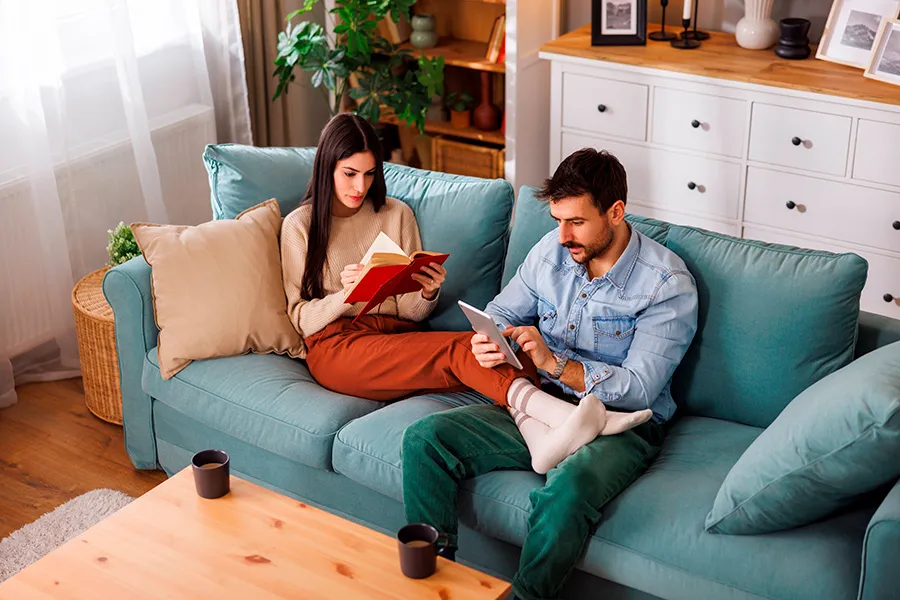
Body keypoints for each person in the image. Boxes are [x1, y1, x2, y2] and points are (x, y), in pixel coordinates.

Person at [400, 147, 700, 600]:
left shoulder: (666, 284)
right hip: (542, 405)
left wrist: (552, 363)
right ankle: (436, 585)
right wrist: (491, 337)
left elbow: (640, 389)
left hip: (622, 424)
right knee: (424, 440)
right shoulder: (552, 250)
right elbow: (500, 309)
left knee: (568, 489)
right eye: (558, 219)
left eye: (576, 222)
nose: (562, 235)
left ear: (615, 212)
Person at [281, 114, 649, 476]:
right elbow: (301, 319)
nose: (360, 186)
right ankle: (572, 417)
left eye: (370, 173)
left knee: (498, 350)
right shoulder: (301, 225)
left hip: (395, 335)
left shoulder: (396, 214)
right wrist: (348, 294)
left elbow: (410, 314)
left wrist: (426, 290)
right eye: (350, 173)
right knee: (465, 347)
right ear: (327, 166)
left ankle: (541, 441)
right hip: (336, 346)